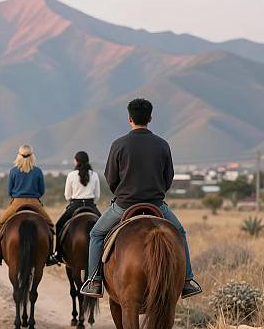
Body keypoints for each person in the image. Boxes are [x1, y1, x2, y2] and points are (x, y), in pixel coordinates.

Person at [81, 98, 202, 299]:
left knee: (96, 234)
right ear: (150, 118)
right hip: (156, 205)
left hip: (124, 205)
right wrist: (157, 193)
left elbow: (111, 177)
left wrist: (120, 193)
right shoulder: (162, 145)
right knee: (179, 232)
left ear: (129, 118)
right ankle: (187, 281)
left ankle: (94, 281)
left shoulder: (119, 144)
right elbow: (168, 177)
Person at [0, 145, 57, 266]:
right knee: (50, 226)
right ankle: (50, 255)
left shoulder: (13, 171)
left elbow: (9, 191)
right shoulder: (37, 171)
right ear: (32, 156)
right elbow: (42, 190)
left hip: (17, 202)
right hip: (35, 202)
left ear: (18, 156)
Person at [54, 151, 101, 263]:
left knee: (59, 225)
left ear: (76, 161)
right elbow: (97, 195)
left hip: (75, 205)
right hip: (90, 205)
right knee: (105, 228)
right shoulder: (94, 175)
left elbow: (67, 196)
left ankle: (58, 254)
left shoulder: (71, 175)